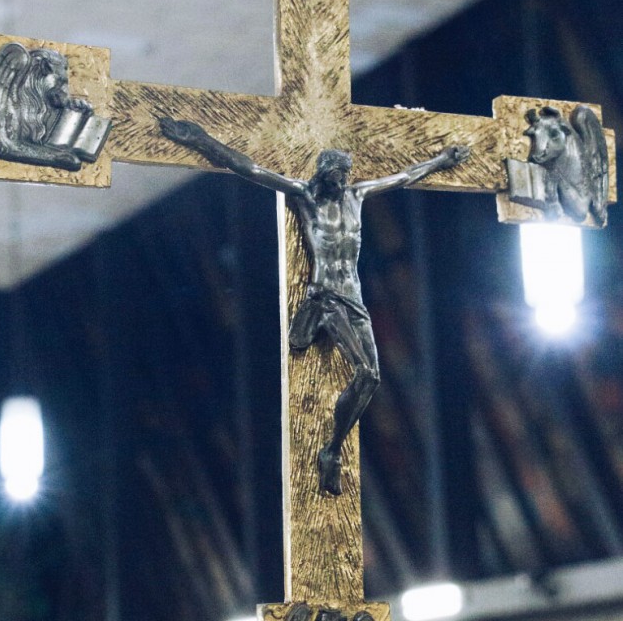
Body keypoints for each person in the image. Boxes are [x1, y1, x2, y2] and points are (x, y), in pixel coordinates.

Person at [160, 117, 469, 495]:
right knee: (358, 366)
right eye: (335, 176)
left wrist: (442, 160)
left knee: (371, 377)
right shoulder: (306, 196)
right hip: (326, 294)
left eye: (344, 177)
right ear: (324, 174)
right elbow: (250, 169)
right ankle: (331, 450)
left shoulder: (357, 196)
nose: (340, 183)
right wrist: (200, 138)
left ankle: (332, 443)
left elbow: (404, 177)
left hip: (353, 298)